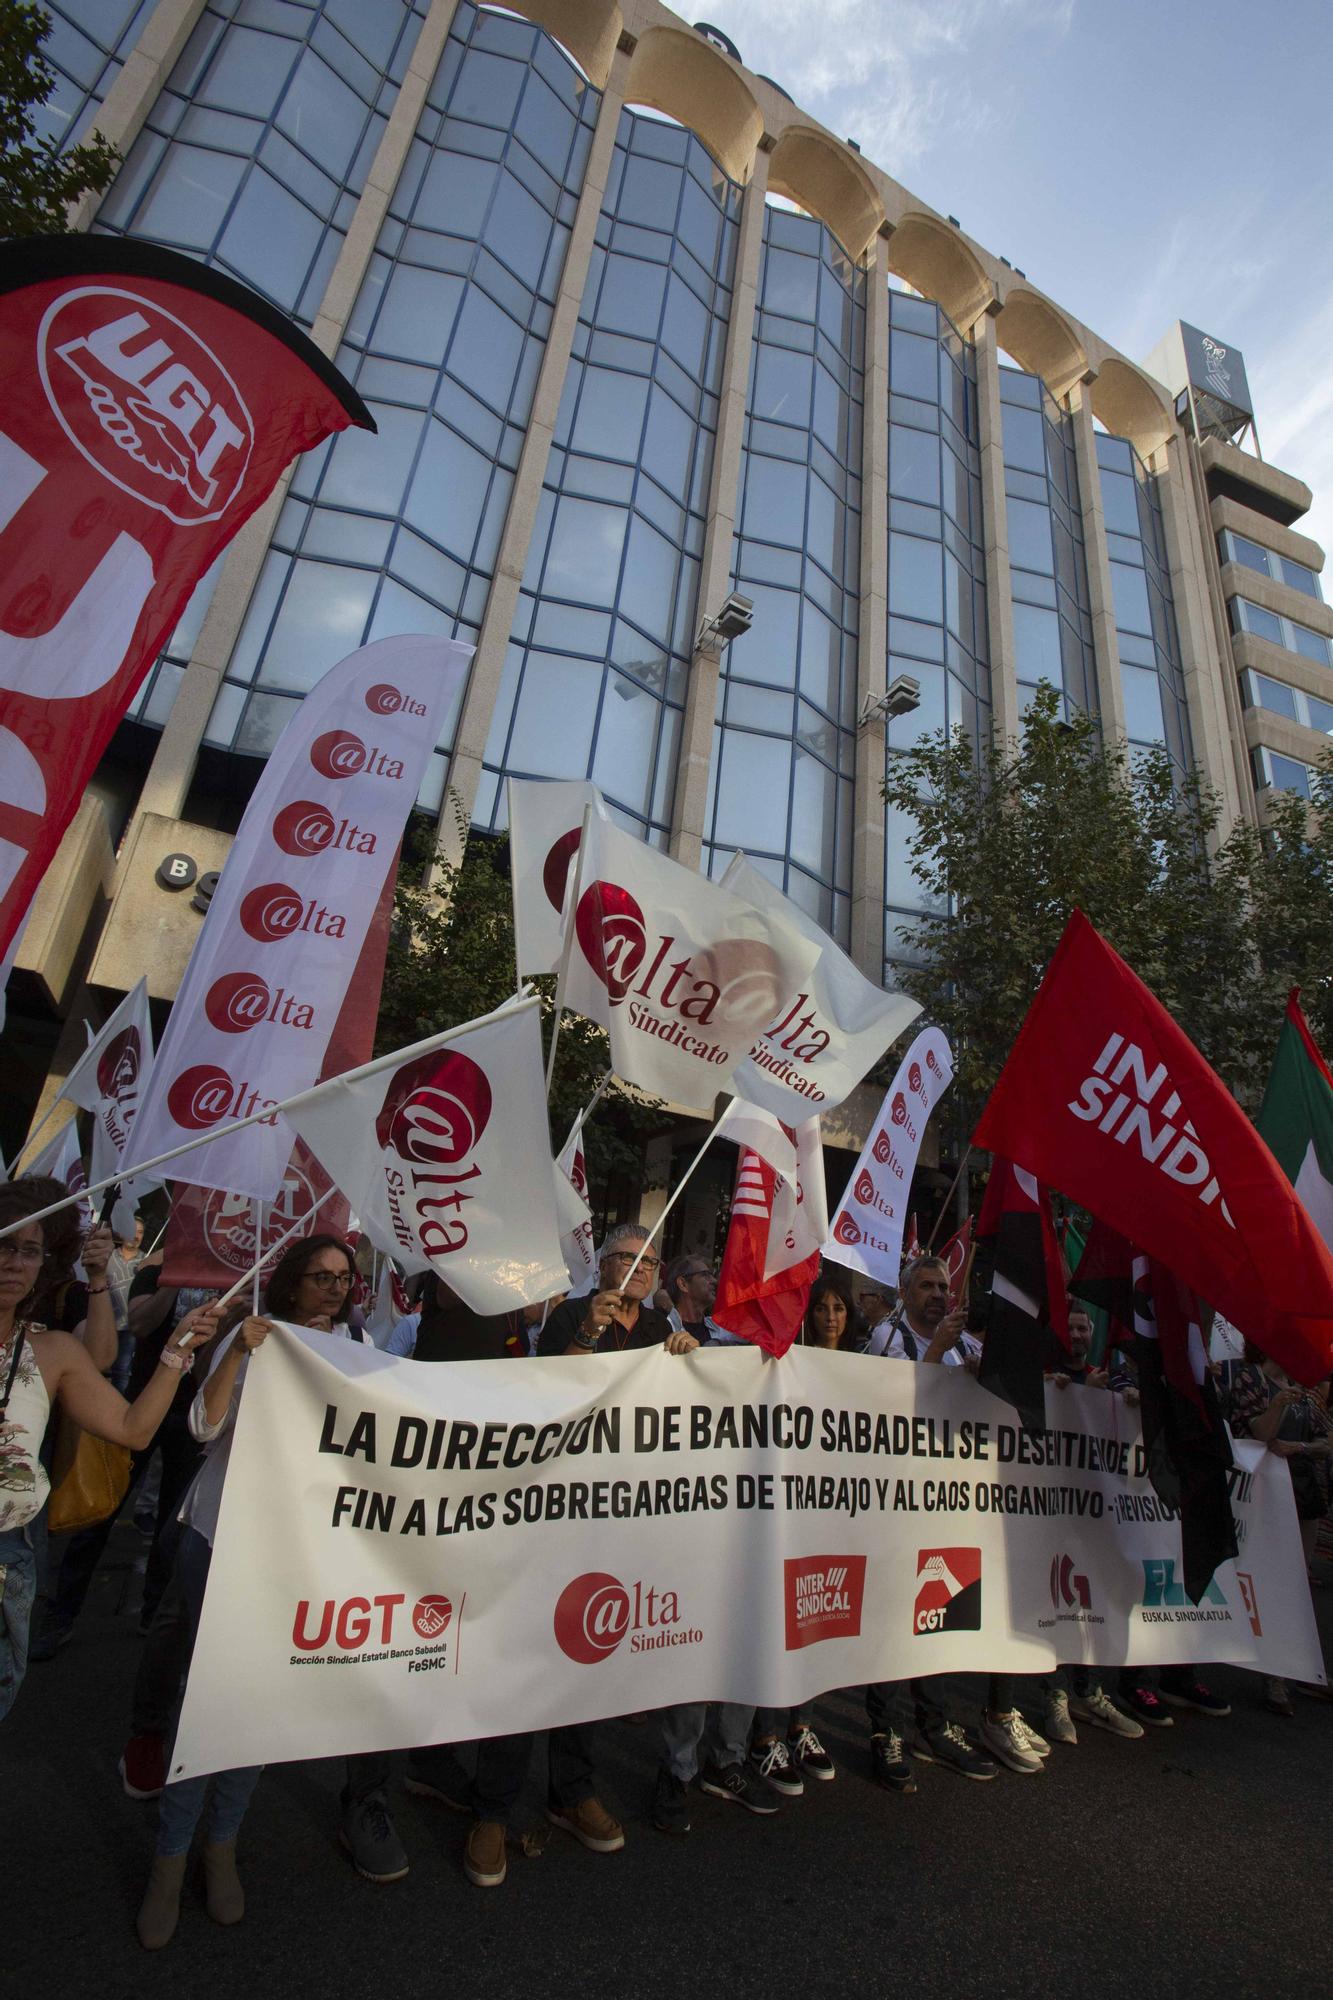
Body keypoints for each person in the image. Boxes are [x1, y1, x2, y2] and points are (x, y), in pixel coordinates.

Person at [135, 1234, 405, 1952]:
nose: (332, 1288)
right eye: (319, 1276)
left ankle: (220, 1847)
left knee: (257, 1701)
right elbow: (203, 1426)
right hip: (221, 1538)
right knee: (207, 1696)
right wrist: (244, 1351)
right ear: (289, 1283)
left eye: (343, 1279)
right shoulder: (252, 1336)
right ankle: (169, 1859)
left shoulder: (357, 1342)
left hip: (295, 1548)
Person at [405, 1278, 629, 1883]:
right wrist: (583, 1332)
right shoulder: (473, 1305)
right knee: (521, 1656)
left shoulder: (649, 1327)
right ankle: (494, 1811)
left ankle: (572, 1790)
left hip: (593, 1511)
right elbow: (546, 1394)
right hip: (509, 1507)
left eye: (648, 1262)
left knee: (584, 1650)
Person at [0, 1181, 214, 1725]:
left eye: (30, 1250)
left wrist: (176, 1351)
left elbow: (131, 1428)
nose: (15, 1262)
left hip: (11, 1556)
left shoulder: (51, 1351)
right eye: (4, 1244)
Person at [861, 1256, 1010, 1783]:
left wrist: (979, 1375)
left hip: (952, 1505)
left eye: (943, 1286)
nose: (936, 1294)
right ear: (905, 1291)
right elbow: (879, 1406)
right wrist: (938, 1352)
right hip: (898, 1502)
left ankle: (935, 1724)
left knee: (943, 1614)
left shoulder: (969, 1346)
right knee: (890, 1618)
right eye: (925, 1285)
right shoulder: (888, 1336)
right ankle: (886, 1731)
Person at [744, 1272, 860, 1800]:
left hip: (830, 1515)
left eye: (839, 1308)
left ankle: (802, 1724)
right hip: (784, 1511)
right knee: (777, 1621)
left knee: (817, 1621)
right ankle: (765, 1734)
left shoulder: (862, 1369)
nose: (831, 1316)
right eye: (823, 1308)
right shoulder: (783, 1357)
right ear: (809, 1314)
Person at [1226, 1342, 1331, 1715]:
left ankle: (1282, 1675)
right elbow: (1257, 1434)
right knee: (1252, 1578)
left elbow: (1326, 1442)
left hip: (1300, 1500)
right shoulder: (1249, 1379)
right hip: (1258, 1499)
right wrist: (1277, 1405)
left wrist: (1299, 1447)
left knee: (1294, 1584)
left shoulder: (1306, 1393)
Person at [539, 1223, 700, 1358]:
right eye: (629, 1258)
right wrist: (587, 1333)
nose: (640, 1268)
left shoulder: (659, 1325)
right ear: (603, 1266)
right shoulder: (568, 1313)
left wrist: (688, 1355)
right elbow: (553, 1381)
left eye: (648, 1261)